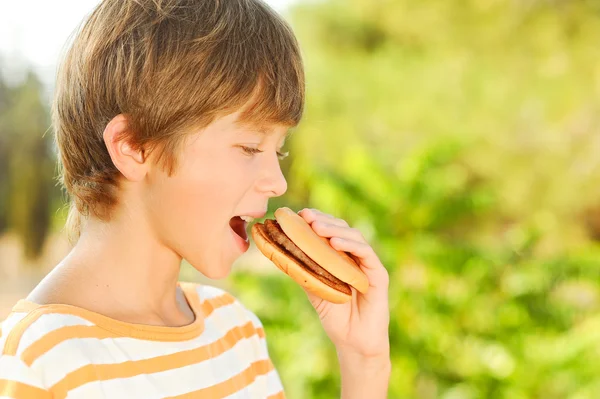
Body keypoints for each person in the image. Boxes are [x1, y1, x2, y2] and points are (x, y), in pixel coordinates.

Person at [0, 0, 391, 397]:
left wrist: (364, 360)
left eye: (280, 151)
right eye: (250, 147)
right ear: (134, 146)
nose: (277, 183)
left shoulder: (235, 330)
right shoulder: (39, 361)